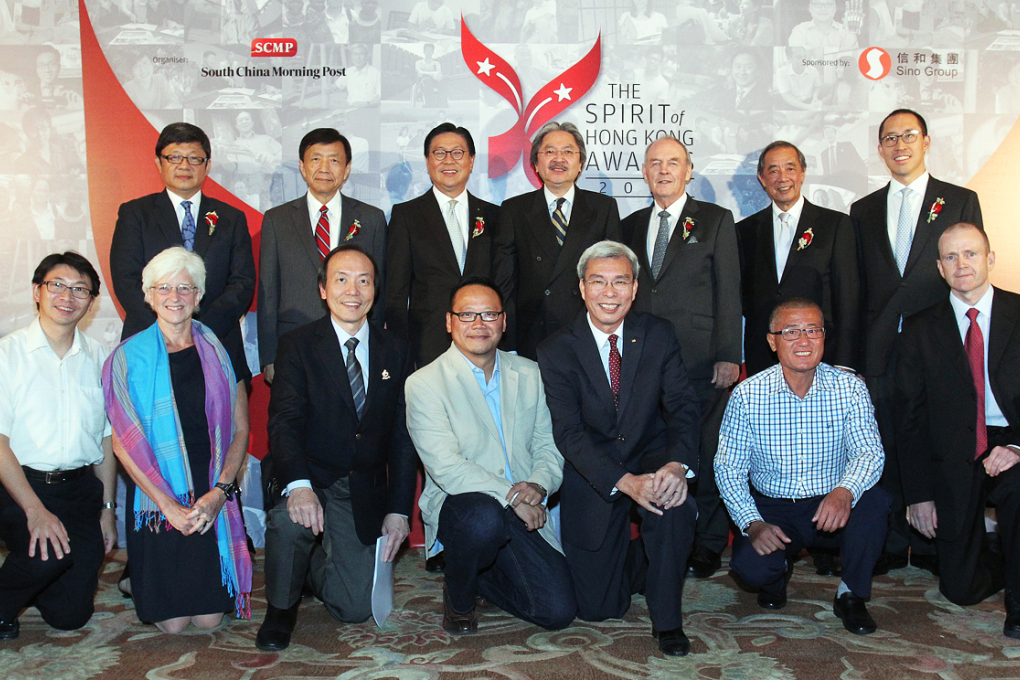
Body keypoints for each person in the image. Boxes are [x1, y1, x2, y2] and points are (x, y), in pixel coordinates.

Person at [537, 241, 701, 657]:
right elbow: (569, 434)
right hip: (595, 472)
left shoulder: (658, 334)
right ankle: (644, 558)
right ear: (581, 288)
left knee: (673, 505)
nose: (609, 293)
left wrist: (677, 465)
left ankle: (668, 622)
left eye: (620, 282)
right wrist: (625, 483)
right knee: (597, 607)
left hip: (651, 455)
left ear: (634, 288)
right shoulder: (555, 349)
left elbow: (683, 405)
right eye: (598, 282)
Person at [256, 245, 416, 650]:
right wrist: (299, 485)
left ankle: (310, 568)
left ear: (375, 291)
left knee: (356, 606)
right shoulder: (297, 344)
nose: (353, 290)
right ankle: (280, 608)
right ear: (323, 289)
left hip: (358, 486)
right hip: (309, 475)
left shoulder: (395, 349)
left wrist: (399, 510)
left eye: (364, 280)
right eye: (341, 279)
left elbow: (401, 435)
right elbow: (284, 422)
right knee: (290, 524)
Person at [850, 108, 983, 576]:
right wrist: (853, 357)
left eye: (908, 135)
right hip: (883, 346)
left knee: (936, 439)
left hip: (940, 343)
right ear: (881, 148)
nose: (899, 144)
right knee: (884, 441)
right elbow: (857, 287)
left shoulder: (960, 199)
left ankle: (932, 545)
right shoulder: (862, 209)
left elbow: (971, 276)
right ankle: (889, 541)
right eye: (889, 138)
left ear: (926, 141)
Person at [405, 277, 575, 634]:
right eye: (467, 315)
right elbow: (447, 468)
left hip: (523, 504)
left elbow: (549, 444)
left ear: (504, 322)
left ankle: (481, 576)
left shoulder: (531, 373)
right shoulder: (424, 383)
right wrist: (514, 496)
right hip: (465, 506)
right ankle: (460, 597)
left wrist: (540, 486)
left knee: (557, 611)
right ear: (449, 322)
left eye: (489, 314)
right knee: (482, 519)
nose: (479, 324)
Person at [715, 298, 889, 635]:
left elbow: (870, 452)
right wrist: (751, 524)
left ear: (824, 337)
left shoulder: (850, 388)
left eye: (813, 330)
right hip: (774, 507)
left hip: (831, 503)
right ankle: (777, 572)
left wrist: (844, 491)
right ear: (772, 341)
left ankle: (850, 595)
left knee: (876, 502)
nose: (804, 341)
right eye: (791, 332)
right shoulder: (748, 394)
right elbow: (728, 468)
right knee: (752, 568)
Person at [104, 247, 252, 634]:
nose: (174, 296)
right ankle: (137, 576)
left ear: (199, 296)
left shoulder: (220, 350)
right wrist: (168, 506)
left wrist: (220, 492)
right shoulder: (125, 358)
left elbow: (240, 430)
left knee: (207, 621)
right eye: (163, 287)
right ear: (148, 295)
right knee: (172, 626)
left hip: (210, 489)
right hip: (158, 497)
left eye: (185, 287)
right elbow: (122, 444)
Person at [622, 136, 740, 580]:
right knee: (650, 450)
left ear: (689, 170)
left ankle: (707, 544)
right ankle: (656, 538)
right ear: (645, 172)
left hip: (699, 361)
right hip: (640, 363)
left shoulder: (714, 220)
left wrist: (729, 353)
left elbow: (730, 291)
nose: (664, 170)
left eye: (673, 163)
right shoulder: (631, 224)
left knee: (703, 454)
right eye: (655, 163)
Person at [896, 223, 1020, 639]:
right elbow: (909, 418)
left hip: (1011, 440)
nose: (961, 264)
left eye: (970, 254)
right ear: (939, 267)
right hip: (951, 452)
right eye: (951, 257)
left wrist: (1019, 445)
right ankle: (1002, 556)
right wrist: (919, 494)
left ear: (990, 259)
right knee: (960, 590)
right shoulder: (918, 327)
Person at [0, 253, 117, 640]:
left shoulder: (100, 358)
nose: (68, 296)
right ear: (37, 291)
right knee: (52, 552)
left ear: (91, 300)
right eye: (57, 285)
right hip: (19, 488)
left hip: (80, 490)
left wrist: (107, 510)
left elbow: (104, 439)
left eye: (80, 289)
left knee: (70, 617)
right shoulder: (7, 354)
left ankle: (40, 575)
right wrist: (34, 510)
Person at [110, 122, 256, 386]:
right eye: (175, 157)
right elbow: (126, 280)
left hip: (218, 342)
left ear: (207, 165)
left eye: (194, 158)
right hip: (151, 343)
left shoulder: (231, 218)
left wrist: (199, 332)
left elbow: (242, 283)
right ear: (159, 163)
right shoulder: (135, 214)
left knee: (226, 427)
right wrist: (168, 331)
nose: (184, 165)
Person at [258, 128, 387, 385]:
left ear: (347, 169)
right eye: (316, 159)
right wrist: (269, 357)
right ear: (302, 167)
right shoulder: (276, 219)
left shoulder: (371, 218)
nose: (324, 168)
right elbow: (268, 292)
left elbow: (379, 289)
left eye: (334, 160)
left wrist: (377, 347)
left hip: (354, 344)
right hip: (293, 343)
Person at [494, 121, 621, 360]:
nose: (558, 158)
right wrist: (507, 341)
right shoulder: (514, 210)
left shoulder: (603, 209)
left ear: (580, 163)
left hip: (589, 334)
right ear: (536, 164)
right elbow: (505, 283)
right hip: (530, 337)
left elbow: (616, 281)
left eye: (568, 151)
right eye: (550, 151)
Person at [738, 141, 859, 377]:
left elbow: (848, 297)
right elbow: (741, 297)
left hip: (823, 356)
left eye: (790, 168)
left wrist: (846, 361)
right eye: (773, 170)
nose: (782, 177)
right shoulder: (744, 231)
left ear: (802, 173)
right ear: (762, 179)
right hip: (763, 357)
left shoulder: (835, 225)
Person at [386, 122, 500, 369]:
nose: (449, 160)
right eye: (439, 153)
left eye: (457, 153)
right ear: (428, 162)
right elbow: (395, 292)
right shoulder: (406, 215)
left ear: (471, 161)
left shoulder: (495, 216)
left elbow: (504, 283)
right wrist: (399, 349)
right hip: (427, 344)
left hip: (486, 342)